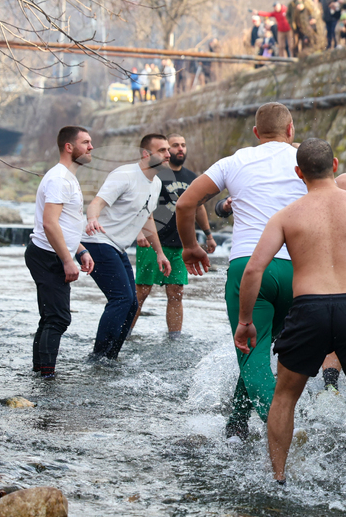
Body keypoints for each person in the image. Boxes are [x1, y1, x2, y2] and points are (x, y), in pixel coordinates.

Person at [233, 139, 346, 500]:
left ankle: (278, 479)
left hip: (309, 309)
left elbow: (254, 269)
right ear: (335, 165)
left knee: (285, 397)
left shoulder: (287, 216)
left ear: (298, 172)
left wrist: (245, 320)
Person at [175, 103, 307, 439]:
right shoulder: (305, 159)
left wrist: (190, 246)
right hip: (299, 270)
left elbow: (186, 203)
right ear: (290, 129)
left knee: (252, 354)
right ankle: (236, 424)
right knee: (257, 351)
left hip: (250, 268)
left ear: (255, 133)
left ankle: (285, 431)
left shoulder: (234, 161)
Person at [82, 134, 172, 361]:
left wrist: (160, 253)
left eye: (168, 150)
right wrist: (92, 219)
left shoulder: (156, 183)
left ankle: (111, 357)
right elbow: (96, 203)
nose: (168, 154)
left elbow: (147, 218)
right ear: (146, 154)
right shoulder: (125, 175)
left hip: (117, 246)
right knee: (121, 298)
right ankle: (99, 357)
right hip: (98, 241)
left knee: (131, 304)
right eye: (162, 150)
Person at [26, 127, 96, 378]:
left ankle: (40, 372)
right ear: (69, 147)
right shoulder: (59, 179)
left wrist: (81, 250)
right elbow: (49, 223)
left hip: (52, 253)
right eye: (85, 142)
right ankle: (47, 377)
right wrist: (67, 260)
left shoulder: (67, 177)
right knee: (58, 318)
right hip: (48, 255)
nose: (91, 147)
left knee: (50, 317)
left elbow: (66, 223)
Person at [131, 134, 217, 338]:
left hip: (180, 245)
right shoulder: (156, 174)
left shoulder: (192, 177)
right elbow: (139, 203)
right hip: (153, 243)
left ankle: (174, 339)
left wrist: (208, 235)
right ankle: (124, 334)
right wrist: (139, 231)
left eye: (183, 145)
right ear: (167, 151)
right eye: (175, 145)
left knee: (176, 293)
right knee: (141, 292)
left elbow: (199, 207)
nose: (180, 149)